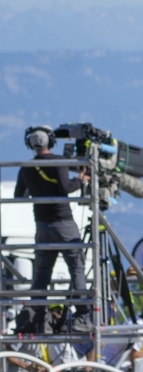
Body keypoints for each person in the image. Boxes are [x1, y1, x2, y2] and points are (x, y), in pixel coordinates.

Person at [14, 125, 92, 332]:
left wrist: (38, 189)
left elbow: (19, 196)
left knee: (42, 274)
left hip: (42, 225)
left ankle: (38, 318)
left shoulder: (26, 167)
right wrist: (81, 180)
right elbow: (65, 188)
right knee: (76, 268)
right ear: (50, 141)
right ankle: (82, 316)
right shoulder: (59, 162)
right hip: (64, 223)